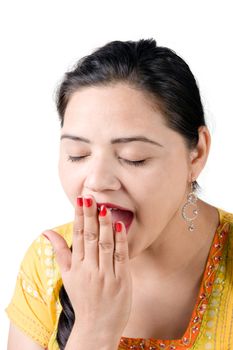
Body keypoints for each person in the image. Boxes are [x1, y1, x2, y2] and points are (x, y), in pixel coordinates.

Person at [6, 39, 233, 350]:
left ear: (197, 154)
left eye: (133, 156)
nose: (97, 181)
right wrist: (93, 330)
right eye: (78, 154)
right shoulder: (48, 264)